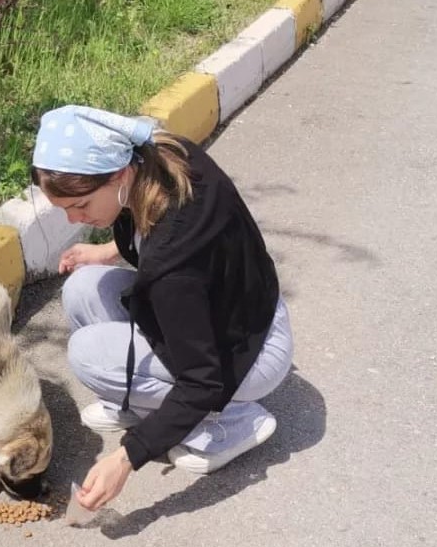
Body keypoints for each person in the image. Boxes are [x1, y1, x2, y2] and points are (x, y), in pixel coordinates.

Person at [30, 105, 294, 512]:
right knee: (83, 288)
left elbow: (202, 380)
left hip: (248, 354)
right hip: (242, 310)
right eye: (64, 209)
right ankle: (145, 404)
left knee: (88, 354)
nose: (73, 219)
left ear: (118, 175)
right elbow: (149, 228)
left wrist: (126, 457)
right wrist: (105, 250)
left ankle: (234, 423)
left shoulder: (175, 263)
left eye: (80, 206)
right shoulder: (160, 156)